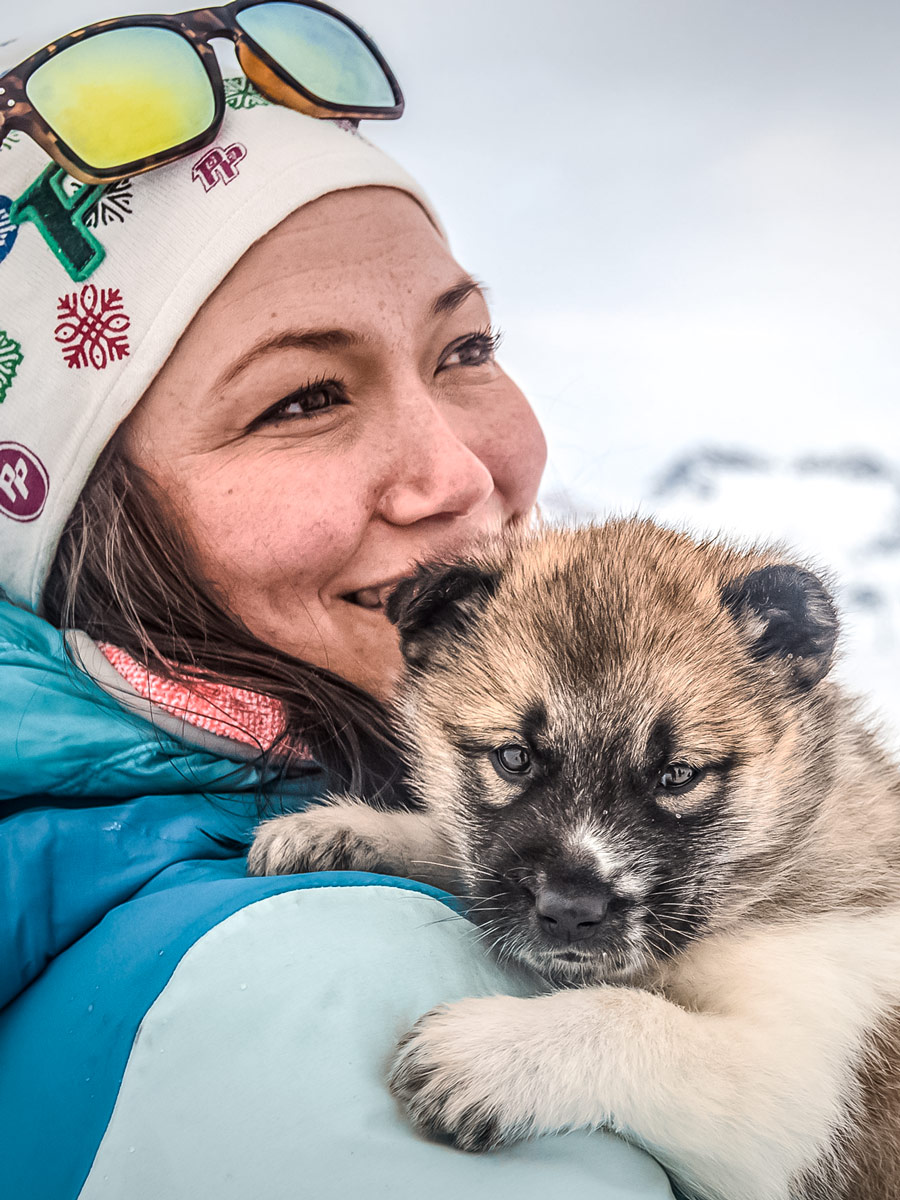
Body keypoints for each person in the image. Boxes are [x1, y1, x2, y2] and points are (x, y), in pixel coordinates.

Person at [0, 6, 679, 1198]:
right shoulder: (335, 988)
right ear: (80, 525)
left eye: (464, 350)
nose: (462, 477)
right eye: (303, 398)